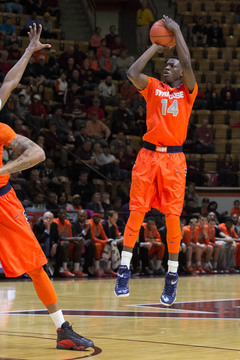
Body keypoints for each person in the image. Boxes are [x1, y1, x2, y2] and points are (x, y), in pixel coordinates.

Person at [0, 23, 93, 350]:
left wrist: (28, 50)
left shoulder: (1, 128)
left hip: (4, 201)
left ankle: (62, 330)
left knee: (37, 266)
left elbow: (37, 152)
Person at [114, 15, 198, 306]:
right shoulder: (152, 87)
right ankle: (123, 268)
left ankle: (172, 275)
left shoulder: (187, 93)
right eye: (167, 63)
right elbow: (131, 72)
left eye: (171, 64)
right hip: (148, 155)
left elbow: (187, 65)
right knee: (136, 212)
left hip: (173, 161)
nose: (169, 66)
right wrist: (155, 47)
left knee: (172, 217)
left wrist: (176, 31)